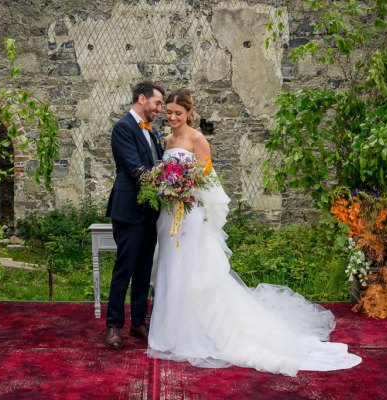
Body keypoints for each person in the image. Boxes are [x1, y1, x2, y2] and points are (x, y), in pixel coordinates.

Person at [147, 88, 362, 376]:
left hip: (191, 211)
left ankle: (197, 331)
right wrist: (167, 188)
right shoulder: (166, 139)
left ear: (189, 113)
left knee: (191, 268)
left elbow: (208, 178)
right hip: (169, 213)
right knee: (170, 267)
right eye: (169, 112)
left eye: (178, 113)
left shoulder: (197, 138)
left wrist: (187, 190)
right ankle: (170, 331)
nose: (172, 117)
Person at [105, 81, 165, 349]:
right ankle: (114, 326)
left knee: (143, 270)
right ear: (142, 99)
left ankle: (138, 323)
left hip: (151, 210)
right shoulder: (123, 128)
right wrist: (166, 181)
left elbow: (159, 163)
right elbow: (135, 169)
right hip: (129, 209)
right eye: (157, 103)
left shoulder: (152, 132)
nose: (160, 109)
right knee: (125, 268)